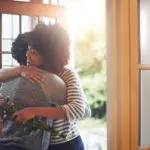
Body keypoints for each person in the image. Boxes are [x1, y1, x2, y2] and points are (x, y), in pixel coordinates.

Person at [0, 23, 91, 150]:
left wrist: (34, 111)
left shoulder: (67, 73)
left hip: (65, 143)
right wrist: (19, 69)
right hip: (40, 145)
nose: (27, 54)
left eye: (34, 53)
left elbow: (78, 109)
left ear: (48, 56)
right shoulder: (28, 70)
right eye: (28, 49)